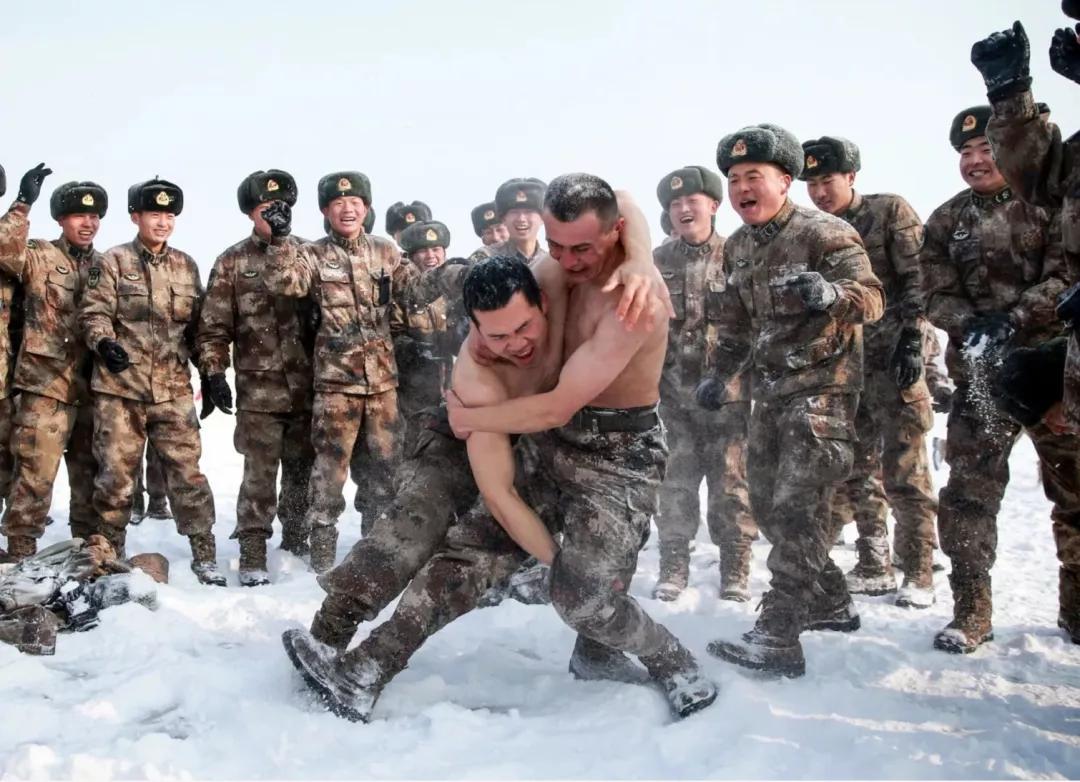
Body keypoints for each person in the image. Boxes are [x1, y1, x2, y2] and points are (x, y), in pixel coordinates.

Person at [700, 124, 884, 678]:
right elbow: (732, 325)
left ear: (785, 180)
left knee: (801, 508)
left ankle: (779, 633)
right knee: (770, 507)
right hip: (771, 396)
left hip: (823, 392)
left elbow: (872, 297)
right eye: (733, 179)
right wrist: (719, 375)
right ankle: (830, 600)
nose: (741, 189)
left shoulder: (824, 233)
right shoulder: (735, 247)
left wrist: (833, 295)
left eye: (753, 176)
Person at [921, 105, 1072, 652]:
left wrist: (1014, 317)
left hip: (1055, 377)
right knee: (968, 498)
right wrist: (969, 324)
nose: (976, 160)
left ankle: (1076, 609)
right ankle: (971, 611)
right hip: (983, 381)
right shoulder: (944, 221)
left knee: (1074, 495)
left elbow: (1067, 276)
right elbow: (933, 292)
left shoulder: (1051, 208)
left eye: (986, 148)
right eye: (966, 152)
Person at [800, 136, 939, 608]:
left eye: (827, 180)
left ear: (851, 177)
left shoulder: (889, 212)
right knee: (856, 471)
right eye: (811, 183)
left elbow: (921, 278)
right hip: (845, 370)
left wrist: (914, 340)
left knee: (906, 470)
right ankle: (873, 561)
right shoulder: (815, 230)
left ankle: (919, 570)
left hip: (895, 362)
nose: (819, 192)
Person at [78, 178, 225, 585]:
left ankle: (204, 552)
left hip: (173, 391)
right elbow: (93, 313)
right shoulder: (112, 261)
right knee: (115, 478)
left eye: (169, 215)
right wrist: (104, 343)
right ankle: (110, 552)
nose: (163, 222)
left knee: (188, 475)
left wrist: (212, 373)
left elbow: (201, 330)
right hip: (119, 391)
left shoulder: (185, 265)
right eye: (154, 214)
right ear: (135, 216)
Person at [260, 172, 409, 573]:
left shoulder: (386, 251)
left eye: (355, 201)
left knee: (385, 470)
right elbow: (283, 282)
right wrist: (278, 241)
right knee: (328, 473)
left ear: (367, 207)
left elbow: (415, 293)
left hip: (382, 386)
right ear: (326, 210)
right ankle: (322, 554)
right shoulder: (312, 253)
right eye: (338, 203)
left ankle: (377, 551)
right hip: (336, 385)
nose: (348, 208)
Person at [196, 169, 316, 586]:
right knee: (259, 474)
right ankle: (251, 551)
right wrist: (214, 373)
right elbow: (213, 327)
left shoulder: (309, 254)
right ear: (251, 213)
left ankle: (297, 543)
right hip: (259, 391)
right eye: (267, 208)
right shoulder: (232, 261)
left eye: (283, 207)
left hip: (308, 387)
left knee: (302, 471)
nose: (276, 215)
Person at [651, 165, 756, 602]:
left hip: (727, 398)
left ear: (713, 205)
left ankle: (736, 567)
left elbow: (755, 323)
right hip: (673, 397)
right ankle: (673, 566)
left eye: (691, 201)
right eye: (674, 204)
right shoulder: (657, 262)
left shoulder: (740, 254)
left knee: (731, 484)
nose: (682, 209)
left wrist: (730, 376)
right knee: (675, 484)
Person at [0, 171, 102, 559]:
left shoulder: (106, 266)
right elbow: (4, 253)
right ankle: (21, 550)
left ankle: (87, 549)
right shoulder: (41, 254)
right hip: (44, 388)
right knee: (34, 475)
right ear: (61, 219)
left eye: (93, 218)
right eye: (78, 216)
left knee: (90, 476)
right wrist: (22, 205)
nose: (88, 223)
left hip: (91, 389)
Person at [469, 178, 547, 263]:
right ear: (503, 218)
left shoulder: (552, 262)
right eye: (514, 212)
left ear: (543, 218)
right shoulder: (485, 257)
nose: (521, 219)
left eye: (529, 212)